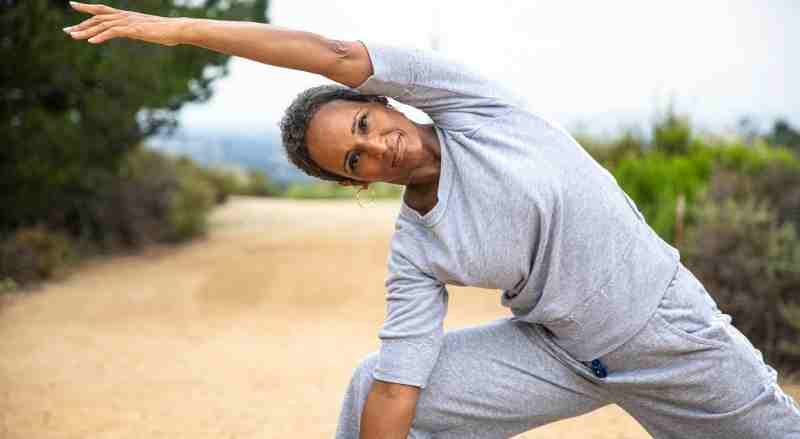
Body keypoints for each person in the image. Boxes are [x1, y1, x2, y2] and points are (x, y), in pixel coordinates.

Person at [64, 3, 800, 438]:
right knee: (371, 387)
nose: (374, 146)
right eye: (353, 161)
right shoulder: (417, 246)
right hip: (561, 352)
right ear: (355, 183)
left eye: (361, 122)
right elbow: (400, 387)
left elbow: (327, 51)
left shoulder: (473, 105)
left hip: (665, 329)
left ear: (383, 100)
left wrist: (176, 31)